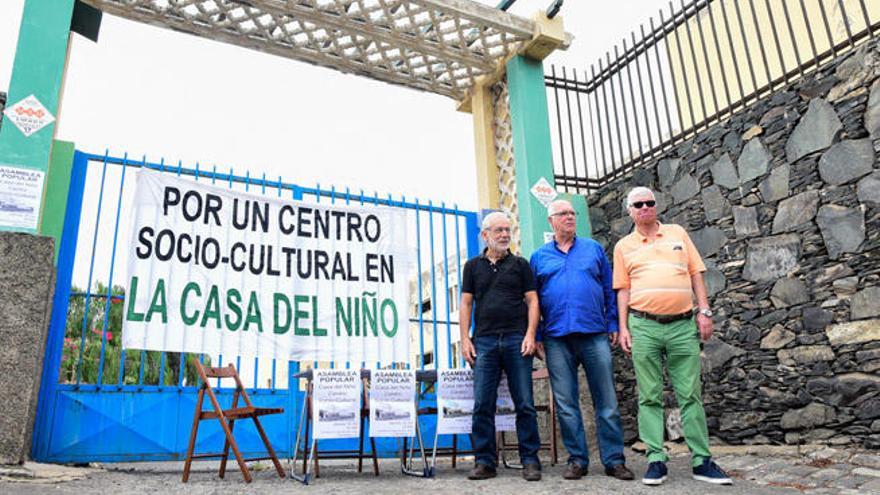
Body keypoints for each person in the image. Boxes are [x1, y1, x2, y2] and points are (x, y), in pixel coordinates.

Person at [612, 186, 732, 486]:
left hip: (682, 324)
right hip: (644, 326)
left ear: (656, 206)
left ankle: (702, 460)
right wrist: (624, 327)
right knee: (649, 395)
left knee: (690, 393)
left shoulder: (677, 233)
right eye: (638, 204)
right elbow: (623, 289)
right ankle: (655, 459)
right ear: (629, 211)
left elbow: (696, 273)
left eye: (649, 202)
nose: (644, 208)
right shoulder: (623, 246)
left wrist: (704, 311)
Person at [529, 199, 634, 482]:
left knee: (607, 399)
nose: (569, 217)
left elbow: (608, 288)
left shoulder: (593, 249)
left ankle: (614, 460)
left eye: (572, 213)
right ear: (550, 221)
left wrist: (613, 322)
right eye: (562, 214)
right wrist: (537, 334)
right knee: (566, 402)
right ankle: (577, 460)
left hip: (593, 334)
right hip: (555, 338)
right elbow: (533, 300)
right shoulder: (538, 257)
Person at [459, 211, 542, 481]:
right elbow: (466, 303)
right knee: (483, 403)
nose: (505, 235)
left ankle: (530, 460)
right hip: (484, 341)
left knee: (525, 403)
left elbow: (532, 300)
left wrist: (531, 334)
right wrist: (464, 339)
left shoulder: (521, 265)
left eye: (507, 230)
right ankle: (485, 462)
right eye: (499, 231)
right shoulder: (472, 266)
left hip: (517, 339)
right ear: (485, 235)